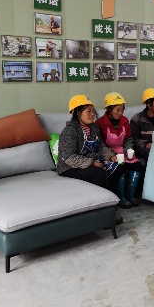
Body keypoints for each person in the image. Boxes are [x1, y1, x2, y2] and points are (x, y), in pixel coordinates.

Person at [57, 95, 124, 223]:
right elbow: (68, 157)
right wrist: (92, 163)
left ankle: (111, 203)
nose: (92, 114)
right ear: (78, 112)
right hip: (69, 167)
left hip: (91, 161)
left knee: (117, 167)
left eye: (93, 111)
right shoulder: (70, 131)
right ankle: (104, 215)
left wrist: (111, 156)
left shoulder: (93, 127)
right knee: (98, 173)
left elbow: (100, 146)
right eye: (88, 111)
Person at [96, 92, 142, 209]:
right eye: (117, 110)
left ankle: (130, 196)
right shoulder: (100, 123)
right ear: (109, 109)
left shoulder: (124, 121)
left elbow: (128, 138)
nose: (120, 113)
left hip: (122, 151)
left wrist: (128, 149)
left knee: (136, 165)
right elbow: (100, 144)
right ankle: (121, 198)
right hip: (108, 154)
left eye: (122, 110)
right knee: (119, 168)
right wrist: (111, 155)